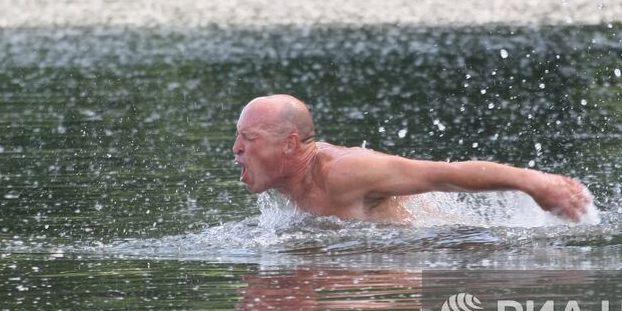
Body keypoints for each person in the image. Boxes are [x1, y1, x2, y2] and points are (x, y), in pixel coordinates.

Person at [233, 94, 593, 224]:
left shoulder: (346, 172)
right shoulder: (290, 182)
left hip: (453, 249)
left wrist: (534, 183)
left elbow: (443, 176)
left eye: (248, 139)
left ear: (290, 145)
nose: (236, 149)